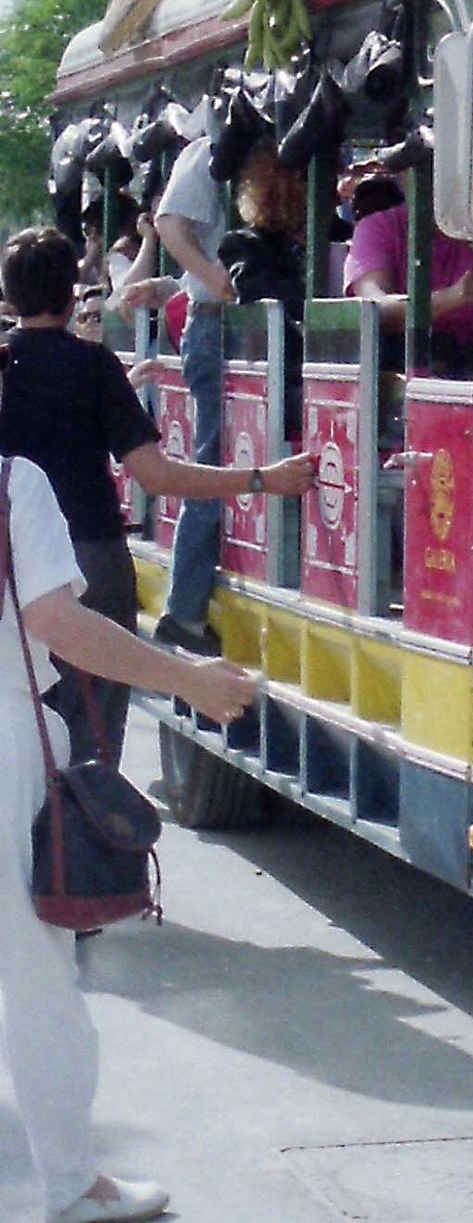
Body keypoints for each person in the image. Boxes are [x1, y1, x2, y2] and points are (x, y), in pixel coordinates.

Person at [1, 446, 253, 1223]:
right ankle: (74, 1185)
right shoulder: (14, 482)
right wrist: (189, 678)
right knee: (37, 987)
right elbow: (53, 621)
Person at [0, 227, 311, 760]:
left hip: (10, 564)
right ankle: (79, 840)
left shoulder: (5, 366)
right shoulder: (94, 366)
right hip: (92, 559)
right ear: (74, 295)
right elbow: (156, 475)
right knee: (91, 751)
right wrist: (261, 478)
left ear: (9, 297)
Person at [153, 139, 303, 652]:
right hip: (218, 327)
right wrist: (216, 277)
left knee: (243, 454)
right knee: (214, 462)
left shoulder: (274, 147)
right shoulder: (207, 149)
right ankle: (184, 609)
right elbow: (169, 225)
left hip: (244, 328)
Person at [343, 175, 473, 375]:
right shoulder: (378, 226)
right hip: (410, 360)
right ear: (402, 178)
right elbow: (373, 307)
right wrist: (455, 296)